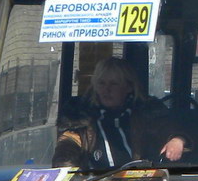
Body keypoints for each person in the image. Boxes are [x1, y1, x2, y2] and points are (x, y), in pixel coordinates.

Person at [53, 57, 189, 169]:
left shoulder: (147, 111)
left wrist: (177, 139)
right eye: (101, 83)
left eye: (114, 84)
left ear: (128, 87)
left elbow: (167, 127)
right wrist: (66, 174)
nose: (106, 90)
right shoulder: (79, 116)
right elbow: (68, 147)